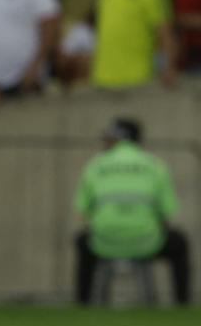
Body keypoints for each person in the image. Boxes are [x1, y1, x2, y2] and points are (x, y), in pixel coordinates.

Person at [73, 118, 190, 306]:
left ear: (120, 138)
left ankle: (82, 303)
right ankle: (183, 304)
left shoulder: (95, 164)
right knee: (180, 243)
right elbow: (167, 213)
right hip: (147, 242)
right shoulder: (155, 165)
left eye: (109, 138)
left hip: (103, 242)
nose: (106, 142)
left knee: (82, 241)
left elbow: (83, 211)